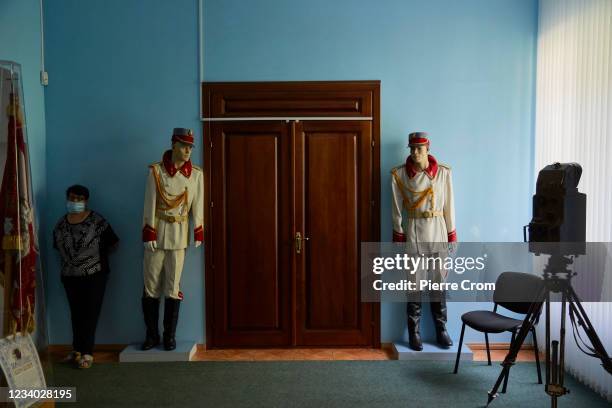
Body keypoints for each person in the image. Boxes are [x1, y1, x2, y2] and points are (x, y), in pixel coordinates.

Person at [391, 132, 456, 351]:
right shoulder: (399, 175)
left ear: (428, 148)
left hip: (438, 229)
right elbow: (396, 209)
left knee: (438, 282)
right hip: (415, 230)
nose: (414, 152)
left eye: (419, 148)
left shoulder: (443, 174)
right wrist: (398, 234)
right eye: (411, 148)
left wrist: (452, 233)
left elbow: (449, 206)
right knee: (414, 283)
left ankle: (441, 329)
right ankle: (414, 332)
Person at [141, 128, 204, 351]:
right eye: (184, 145)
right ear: (174, 145)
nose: (188, 151)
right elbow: (149, 203)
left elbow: (198, 205)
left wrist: (198, 230)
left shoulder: (196, 174)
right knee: (150, 287)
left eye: (190, 147)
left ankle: (169, 336)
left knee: (173, 287)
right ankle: (151, 335)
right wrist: (148, 231)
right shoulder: (156, 172)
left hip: (179, 235)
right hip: (157, 234)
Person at [53, 184, 119, 368]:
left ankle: (87, 353)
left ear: (86, 201)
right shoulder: (61, 224)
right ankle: (77, 350)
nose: (75, 202)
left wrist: (92, 259)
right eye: (72, 198)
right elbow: (57, 247)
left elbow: (114, 243)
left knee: (90, 314)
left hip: (94, 276)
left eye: (79, 198)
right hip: (69, 276)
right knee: (76, 314)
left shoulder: (97, 221)